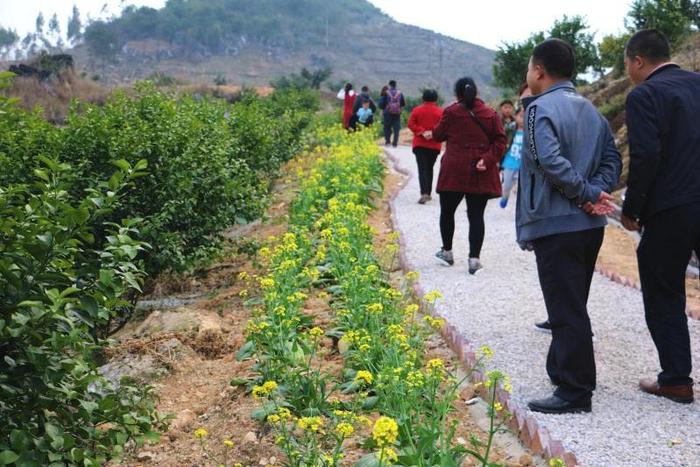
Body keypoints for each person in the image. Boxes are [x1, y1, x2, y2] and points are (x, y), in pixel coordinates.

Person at [517, 38, 622, 415]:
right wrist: (597, 191)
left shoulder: (537, 109)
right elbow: (613, 158)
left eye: (529, 68)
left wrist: (585, 193)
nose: (529, 74)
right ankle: (561, 369)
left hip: (556, 222)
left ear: (539, 71)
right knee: (572, 300)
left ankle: (575, 390)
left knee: (565, 307)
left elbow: (547, 161)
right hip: (588, 226)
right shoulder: (591, 109)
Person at [622, 29, 700, 404]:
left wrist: (632, 209)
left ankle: (676, 380)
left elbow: (646, 156)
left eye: (627, 65)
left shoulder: (645, 95)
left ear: (638, 60)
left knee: (663, 288)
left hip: (673, 206)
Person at [432, 77, 506, 275]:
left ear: (458, 94)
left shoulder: (451, 112)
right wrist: (488, 159)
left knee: (447, 212)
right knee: (476, 216)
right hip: (479, 171)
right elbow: (500, 141)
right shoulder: (491, 114)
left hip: (454, 170)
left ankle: (447, 252)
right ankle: (474, 260)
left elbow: (438, 135)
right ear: (477, 91)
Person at [408, 88, 443, 204]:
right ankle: (428, 192)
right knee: (429, 168)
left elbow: (411, 123)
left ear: (423, 98)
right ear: (436, 99)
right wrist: (432, 133)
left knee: (422, 168)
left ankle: (424, 193)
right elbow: (443, 126)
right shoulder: (440, 112)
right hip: (434, 145)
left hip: (420, 144)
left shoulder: (417, 110)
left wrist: (422, 132)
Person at [499, 106, 524, 208]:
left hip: (523, 165)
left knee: (521, 188)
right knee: (507, 185)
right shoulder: (511, 128)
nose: (523, 119)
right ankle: (505, 197)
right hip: (509, 162)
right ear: (516, 116)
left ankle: (521, 206)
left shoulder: (531, 131)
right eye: (521, 116)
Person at [379, 80, 405, 147]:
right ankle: (395, 143)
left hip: (387, 112)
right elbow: (403, 103)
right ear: (395, 85)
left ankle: (388, 141)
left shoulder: (386, 93)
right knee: (396, 128)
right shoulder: (400, 93)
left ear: (389, 85)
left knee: (387, 127)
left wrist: (383, 108)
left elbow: (381, 104)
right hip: (397, 113)